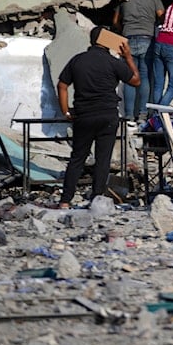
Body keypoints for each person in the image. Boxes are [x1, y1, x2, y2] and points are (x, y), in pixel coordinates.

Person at [56, 26, 140, 208]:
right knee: (103, 159)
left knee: (77, 158)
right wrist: (128, 57)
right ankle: (96, 199)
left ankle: (65, 200)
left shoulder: (77, 60)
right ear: (107, 41)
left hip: (84, 115)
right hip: (107, 115)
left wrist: (65, 111)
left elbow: (62, 85)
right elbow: (136, 80)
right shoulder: (112, 62)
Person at [112, 0, 164, 124]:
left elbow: (115, 22)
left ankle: (129, 115)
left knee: (130, 78)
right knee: (144, 77)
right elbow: (162, 16)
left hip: (127, 40)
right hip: (147, 39)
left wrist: (123, 30)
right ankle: (142, 114)